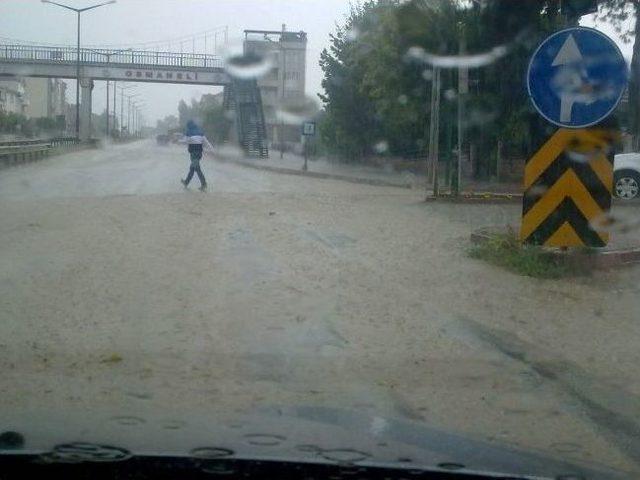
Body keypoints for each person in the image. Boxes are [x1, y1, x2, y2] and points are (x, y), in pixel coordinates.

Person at [181, 120, 214, 191]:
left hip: (193, 154)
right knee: (192, 168)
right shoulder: (200, 132)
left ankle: (204, 184)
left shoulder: (189, 132)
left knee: (197, 168)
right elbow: (206, 142)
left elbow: (185, 141)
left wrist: (178, 141)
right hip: (199, 153)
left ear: (189, 126)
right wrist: (211, 149)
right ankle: (186, 182)